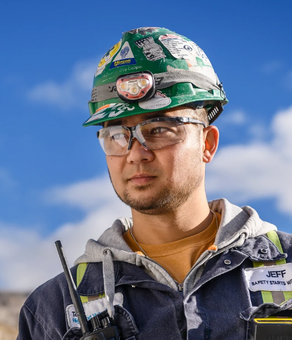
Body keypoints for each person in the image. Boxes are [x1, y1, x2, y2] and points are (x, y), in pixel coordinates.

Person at [17, 27, 292, 340]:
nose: (136, 153)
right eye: (117, 135)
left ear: (207, 143)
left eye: (160, 129)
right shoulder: (53, 309)